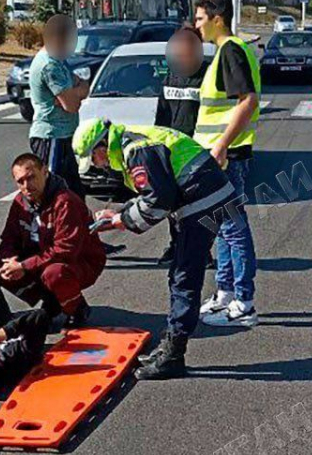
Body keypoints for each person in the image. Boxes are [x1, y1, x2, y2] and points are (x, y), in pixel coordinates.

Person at [72, 119, 235, 380]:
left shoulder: (135, 149)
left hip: (201, 204)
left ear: (102, 144)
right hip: (202, 199)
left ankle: (173, 355)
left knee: (184, 277)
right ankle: (170, 345)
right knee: (180, 274)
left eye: (94, 157)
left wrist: (119, 221)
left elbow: (159, 201)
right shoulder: (133, 142)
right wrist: (119, 211)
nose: (97, 164)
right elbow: (154, 192)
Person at [0, 153, 106, 329]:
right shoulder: (20, 201)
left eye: (31, 177)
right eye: (20, 182)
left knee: (54, 273)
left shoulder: (65, 202)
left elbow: (66, 251)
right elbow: (9, 238)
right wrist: (9, 260)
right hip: (41, 258)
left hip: (79, 262)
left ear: (45, 171)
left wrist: (25, 266)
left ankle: (77, 308)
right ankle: (50, 302)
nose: (27, 186)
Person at [193, 0, 261, 328]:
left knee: (234, 228)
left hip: (227, 156)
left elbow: (246, 101)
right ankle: (224, 292)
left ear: (217, 18)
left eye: (200, 18)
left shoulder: (231, 50)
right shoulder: (224, 53)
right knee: (223, 227)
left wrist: (220, 145)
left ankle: (244, 299)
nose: (196, 25)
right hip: (217, 156)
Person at [154, 25, 210, 266]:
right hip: (171, 150)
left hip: (196, 151)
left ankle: (201, 250)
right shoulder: (171, 75)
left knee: (197, 205)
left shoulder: (207, 75)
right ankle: (175, 245)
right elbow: (162, 114)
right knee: (173, 204)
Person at [28, 13, 90, 198]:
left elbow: (85, 86)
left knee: (75, 195)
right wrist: (72, 93)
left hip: (64, 135)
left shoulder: (58, 61)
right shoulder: (49, 65)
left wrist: (73, 91)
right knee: (53, 194)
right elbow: (71, 105)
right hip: (52, 136)